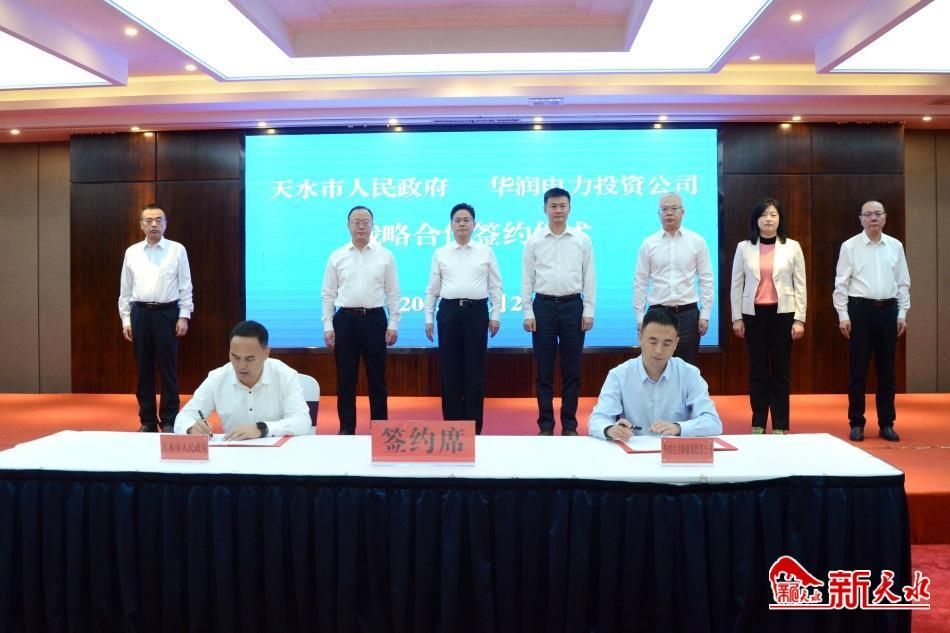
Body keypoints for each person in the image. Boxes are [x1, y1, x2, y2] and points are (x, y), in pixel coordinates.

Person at [833, 200, 910, 443]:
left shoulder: (895, 246)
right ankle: (856, 422)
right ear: (861, 219)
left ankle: (887, 423)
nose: (873, 218)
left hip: (888, 311)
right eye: (868, 214)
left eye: (877, 214)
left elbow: (903, 282)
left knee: (887, 372)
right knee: (858, 371)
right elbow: (841, 283)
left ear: (885, 218)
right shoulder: (850, 246)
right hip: (860, 311)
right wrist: (843, 315)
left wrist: (902, 313)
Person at [521, 187, 596, 436]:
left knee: (572, 370)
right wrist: (528, 312)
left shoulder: (582, 240)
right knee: (543, 371)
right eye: (553, 206)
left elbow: (589, 276)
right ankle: (545, 425)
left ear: (569, 209)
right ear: (545, 209)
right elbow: (527, 278)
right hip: (542, 307)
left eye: (562, 206)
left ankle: (570, 425)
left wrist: (589, 310)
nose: (558, 210)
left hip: (573, 307)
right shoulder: (534, 240)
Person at [423, 203, 503, 434]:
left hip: (477, 313)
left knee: (474, 372)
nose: (462, 224)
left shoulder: (485, 252)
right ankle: (452, 428)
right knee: (449, 371)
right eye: (457, 220)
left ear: (474, 225)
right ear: (451, 225)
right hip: (449, 313)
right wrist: (428, 318)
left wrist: (495, 314)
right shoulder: (441, 253)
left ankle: (474, 429)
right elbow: (432, 289)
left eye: (466, 220)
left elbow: (495, 286)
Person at [321, 206, 401, 434]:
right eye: (356, 222)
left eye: (366, 222)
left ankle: (380, 430)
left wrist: (393, 323)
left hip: (375, 319)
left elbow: (393, 293)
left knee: (377, 378)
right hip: (345, 320)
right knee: (346, 379)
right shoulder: (337, 256)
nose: (361, 226)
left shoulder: (385, 255)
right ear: (348, 226)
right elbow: (328, 294)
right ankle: (347, 429)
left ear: (373, 225)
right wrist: (328, 325)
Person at [730, 198, 807, 435]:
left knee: (781, 371)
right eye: (763, 215)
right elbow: (736, 284)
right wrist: (736, 317)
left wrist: (799, 318)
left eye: (773, 214)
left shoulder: (792, 246)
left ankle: (781, 424)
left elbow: (800, 284)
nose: (768, 219)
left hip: (783, 314)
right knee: (758, 370)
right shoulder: (744, 247)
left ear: (780, 219)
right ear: (756, 220)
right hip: (753, 315)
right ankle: (758, 422)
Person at [588, 309, 722, 440]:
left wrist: (678, 428)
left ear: (676, 343)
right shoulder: (619, 375)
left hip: (674, 450)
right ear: (640, 337)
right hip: (634, 449)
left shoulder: (689, 374)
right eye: (653, 342)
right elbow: (598, 419)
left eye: (667, 344)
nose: (658, 350)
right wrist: (610, 429)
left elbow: (712, 421)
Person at [118, 204, 193, 433]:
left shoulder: (177, 250)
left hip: (167, 313)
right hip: (140, 313)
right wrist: (126, 320)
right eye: (149, 220)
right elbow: (125, 290)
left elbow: (186, 285)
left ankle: (169, 419)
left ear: (165, 224)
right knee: (144, 370)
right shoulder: (132, 252)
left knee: (168, 369)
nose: (154, 224)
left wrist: (184, 316)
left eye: (159, 220)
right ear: (141, 225)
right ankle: (148, 421)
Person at [174, 320, 310, 438]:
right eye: (235, 357)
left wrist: (262, 429)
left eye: (249, 359)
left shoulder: (285, 376)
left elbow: (302, 421)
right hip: (233, 453)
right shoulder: (217, 378)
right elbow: (183, 418)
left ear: (266, 354)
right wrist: (191, 428)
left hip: (278, 454)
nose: (241, 366)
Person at [633, 192, 714, 365]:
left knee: (687, 366)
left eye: (674, 208)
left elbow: (706, 279)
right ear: (659, 213)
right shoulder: (648, 244)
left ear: (682, 212)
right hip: (657, 313)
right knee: (656, 365)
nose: (669, 213)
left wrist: (705, 314)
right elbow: (640, 282)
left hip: (688, 314)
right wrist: (640, 317)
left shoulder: (697, 241)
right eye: (664, 209)